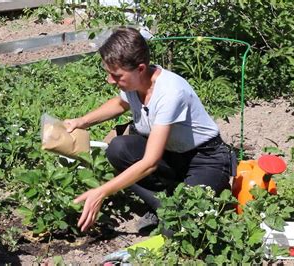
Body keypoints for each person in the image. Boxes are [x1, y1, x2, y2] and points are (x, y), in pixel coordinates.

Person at [64, 27, 231, 233]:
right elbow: (119, 104)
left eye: (116, 76)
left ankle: (204, 195)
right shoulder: (135, 85)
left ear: (141, 68)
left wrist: (101, 192)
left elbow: (150, 163)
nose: (110, 81)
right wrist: (81, 122)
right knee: (118, 149)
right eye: (108, 74)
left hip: (205, 159)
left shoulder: (170, 93)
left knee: (178, 229)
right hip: (171, 156)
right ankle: (164, 205)